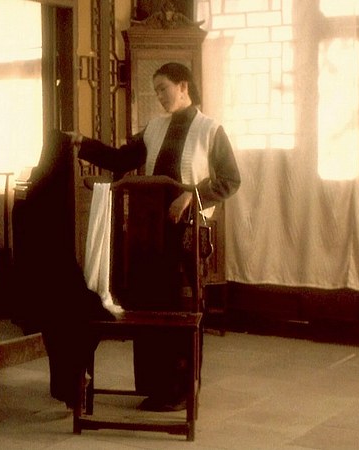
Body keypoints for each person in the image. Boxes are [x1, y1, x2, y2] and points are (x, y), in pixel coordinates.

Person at [70, 62, 240, 412]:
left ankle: (180, 391)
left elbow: (230, 179)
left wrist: (192, 194)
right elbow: (120, 160)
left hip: (187, 234)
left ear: (183, 86)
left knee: (180, 309)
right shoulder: (154, 128)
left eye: (164, 88)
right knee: (148, 305)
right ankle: (154, 386)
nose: (159, 96)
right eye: (156, 90)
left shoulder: (210, 129)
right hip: (149, 232)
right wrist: (83, 143)